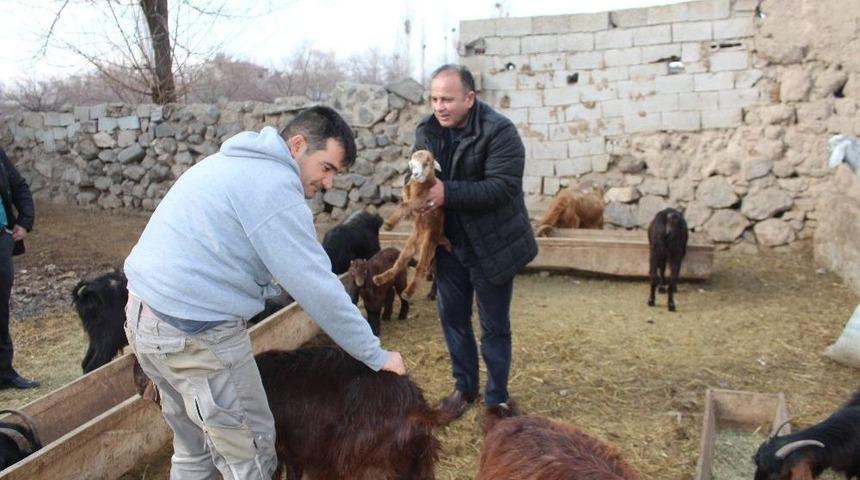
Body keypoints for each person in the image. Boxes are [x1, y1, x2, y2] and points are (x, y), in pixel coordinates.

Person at [123, 106, 406, 480]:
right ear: (298, 145)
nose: (328, 184)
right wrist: (375, 354)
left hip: (145, 321)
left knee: (195, 451)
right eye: (327, 168)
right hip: (196, 333)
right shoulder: (274, 186)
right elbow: (317, 287)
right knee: (251, 456)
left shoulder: (227, 164)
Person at [414, 65, 537, 419]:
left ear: (470, 98)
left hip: (493, 244)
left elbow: (503, 187)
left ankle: (496, 399)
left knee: (494, 325)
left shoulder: (499, 132)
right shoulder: (426, 130)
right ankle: (464, 388)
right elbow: (421, 173)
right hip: (450, 243)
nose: (440, 107)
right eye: (435, 98)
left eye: (448, 99)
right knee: (452, 317)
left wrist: (446, 192)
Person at [0, 146, 37, 390]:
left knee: (1, 307)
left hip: (1, 238)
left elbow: (19, 185)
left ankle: (4, 371)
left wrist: (25, 220)